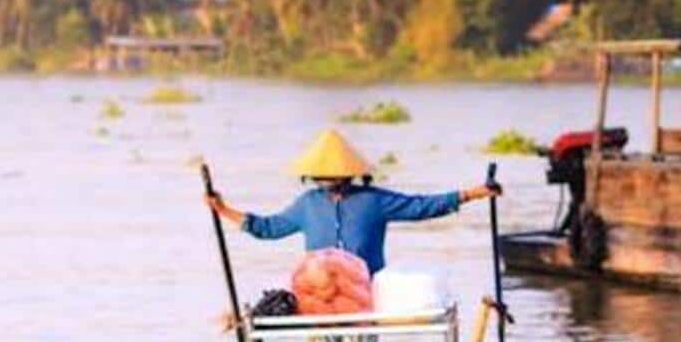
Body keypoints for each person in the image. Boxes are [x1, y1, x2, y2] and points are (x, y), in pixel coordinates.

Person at [205, 129, 500, 277]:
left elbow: (420, 207)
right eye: (323, 175)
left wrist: (473, 193)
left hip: (363, 290)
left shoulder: (372, 201)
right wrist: (223, 209)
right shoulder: (307, 205)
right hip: (319, 293)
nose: (328, 180)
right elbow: (267, 228)